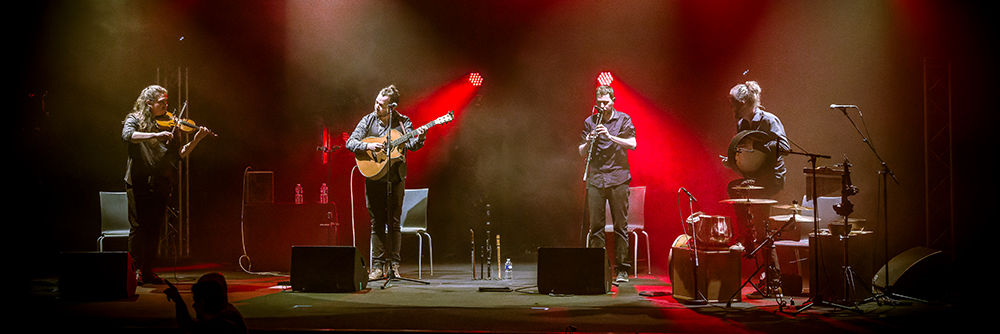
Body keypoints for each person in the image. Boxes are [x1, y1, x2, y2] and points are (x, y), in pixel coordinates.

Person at [121, 85, 212, 285]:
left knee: (155, 228)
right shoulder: (135, 119)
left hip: (161, 182)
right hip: (137, 181)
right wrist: (154, 135)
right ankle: (133, 271)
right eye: (162, 103)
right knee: (137, 227)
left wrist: (196, 140)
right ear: (149, 103)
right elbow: (127, 136)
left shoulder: (171, 125)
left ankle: (147, 271)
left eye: (166, 102)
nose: (166, 106)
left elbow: (178, 155)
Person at [346, 85, 426, 280]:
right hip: (374, 178)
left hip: (396, 178)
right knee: (377, 223)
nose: (376, 107)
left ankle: (394, 266)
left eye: (381, 105)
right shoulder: (368, 120)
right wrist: (369, 145)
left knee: (394, 223)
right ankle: (377, 267)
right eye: (376, 102)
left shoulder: (403, 121)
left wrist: (421, 137)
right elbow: (350, 142)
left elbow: (412, 145)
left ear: (392, 107)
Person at [722, 80, 789, 297]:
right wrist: (733, 161)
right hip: (754, 178)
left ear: (743, 102)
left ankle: (773, 282)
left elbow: (785, 147)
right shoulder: (743, 124)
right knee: (733, 188)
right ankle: (746, 236)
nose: (731, 108)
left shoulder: (769, 121)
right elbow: (745, 154)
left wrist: (759, 146)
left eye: (733, 104)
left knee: (763, 231)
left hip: (770, 180)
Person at [578, 85, 637, 283]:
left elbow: (633, 144)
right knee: (595, 227)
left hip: (618, 178)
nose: (602, 106)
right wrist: (588, 141)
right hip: (595, 178)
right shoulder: (590, 121)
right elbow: (580, 151)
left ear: (613, 101)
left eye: (606, 102)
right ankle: (599, 268)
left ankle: (622, 270)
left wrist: (610, 136)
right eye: (599, 102)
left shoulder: (623, 119)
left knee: (620, 226)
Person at [164, 273, 248, 334]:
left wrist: (179, 302)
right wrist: (178, 301)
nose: (193, 306)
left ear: (202, 302)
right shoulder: (229, 317)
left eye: (196, 301)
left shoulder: (215, 328)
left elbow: (189, 328)